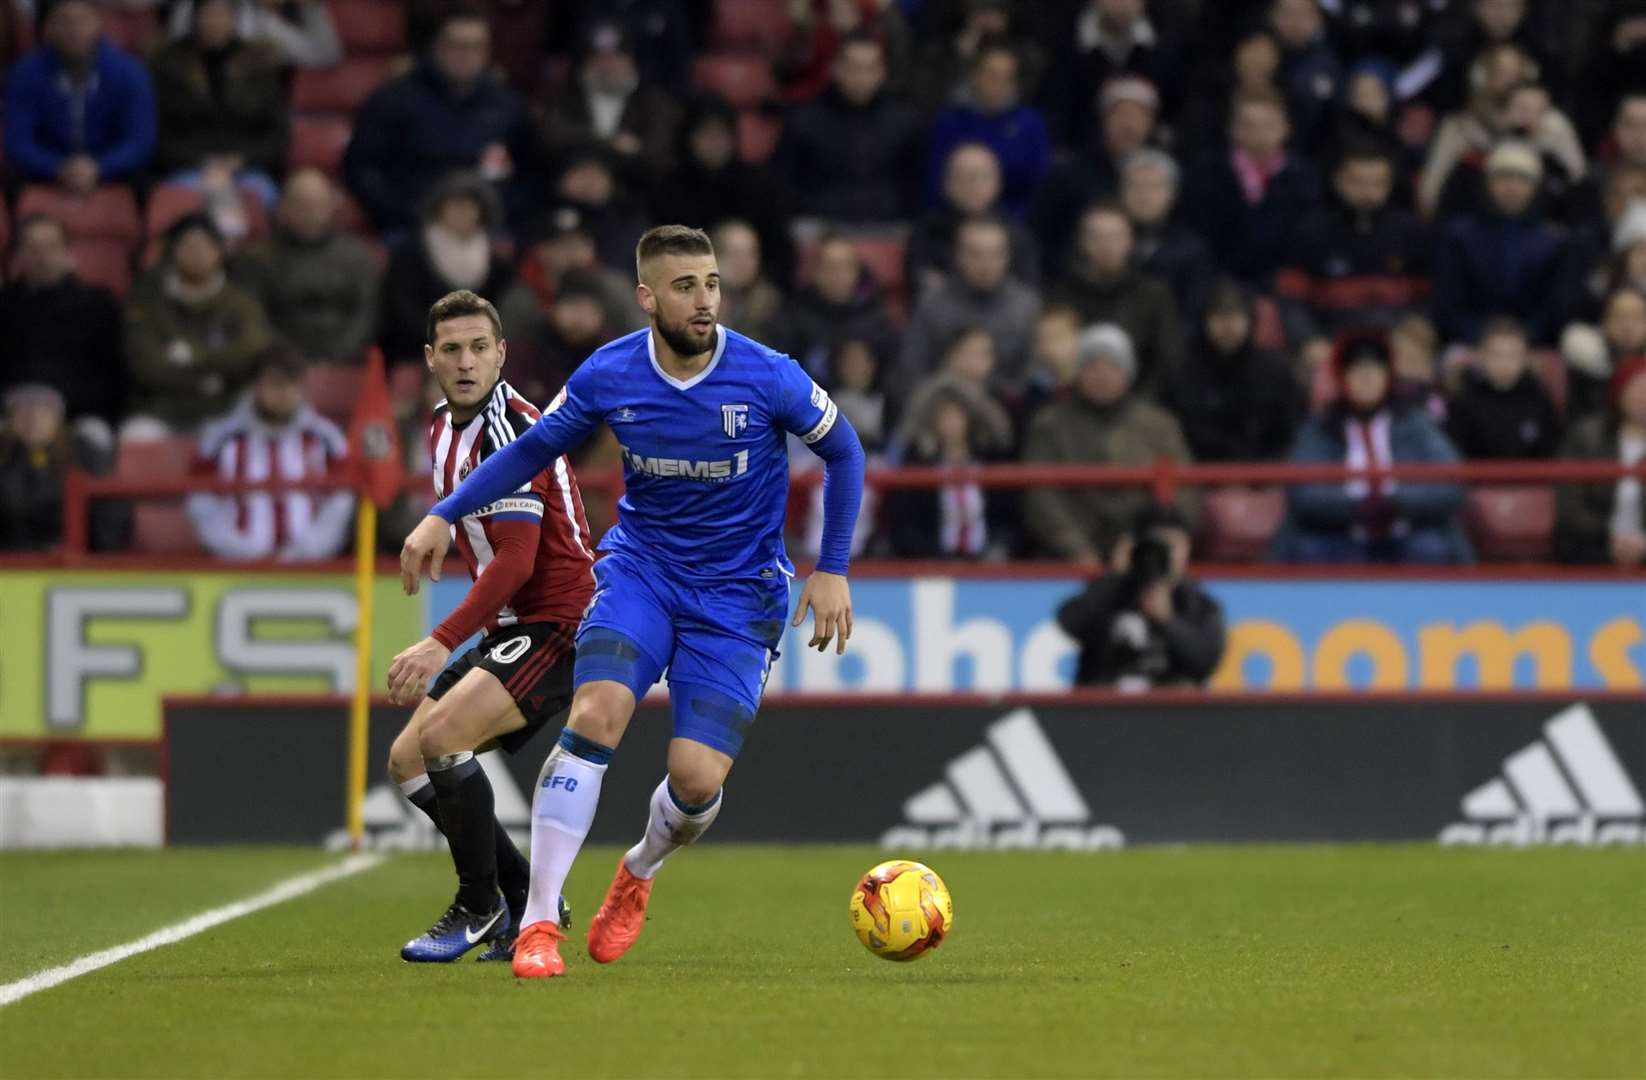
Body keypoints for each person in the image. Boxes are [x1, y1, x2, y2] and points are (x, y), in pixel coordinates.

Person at [397, 226, 865, 979]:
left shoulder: (767, 374)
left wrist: (833, 566)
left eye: (711, 283)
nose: (704, 300)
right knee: (595, 715)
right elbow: (527, 452)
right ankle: (540, 924)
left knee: (696, 780)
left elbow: (845, 450)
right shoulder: (610, 373)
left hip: (739, 594)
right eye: (685, 286)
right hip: (641, 573)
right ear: (648, 297)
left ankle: (639, 869)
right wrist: (445, 512)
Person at [387, 290, 595, 963]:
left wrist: (439, 639)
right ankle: (527, 897)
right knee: (408, 759)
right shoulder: (441, 423)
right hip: (513, 622)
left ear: (502, 354)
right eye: (452, 349)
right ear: (431, 358)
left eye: (480, 347)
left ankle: (478, 907)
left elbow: (516, 559)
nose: (467, 361)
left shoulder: (510, 429)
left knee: (443, 737)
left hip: (559, 621)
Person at [1274, 332, 1472, 563]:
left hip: (1407, 533)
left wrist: (1395, 503)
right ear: (1343, 378)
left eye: (1375, 371)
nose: (1366, 379)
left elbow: (1452, 483)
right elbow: (1303, 493)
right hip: (1340, 534)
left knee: (1432, 549)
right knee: (1310, 550)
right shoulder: (1321, 427)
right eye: (1358, 371)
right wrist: (1356, 507)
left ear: (1388, 377)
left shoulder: (1415, 423)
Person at [343, 9, 536, 234]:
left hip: (487, 228)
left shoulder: (508, 105)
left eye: (475, 47)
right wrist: (410, 213)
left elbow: (532, 174)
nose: (465, 55)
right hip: (411, 226)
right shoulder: (394, 99)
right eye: (456, 45)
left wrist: (496, 211)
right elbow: (362, 169)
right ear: (435, 47)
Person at [1021, 324, 1196, 561]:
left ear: (1129, 372)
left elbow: (1186, 489)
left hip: (1145, 553)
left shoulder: (1159, 425)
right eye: (1093, 366)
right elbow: (1041, 498)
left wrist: (1154, 542)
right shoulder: (1049, 425)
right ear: (1079, 372)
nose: (1102, 376)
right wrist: (1077, 549)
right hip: (1067, 555)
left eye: (1113, 367)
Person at [185, 346, 354, 560]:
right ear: (255, 387)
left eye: (292, 384)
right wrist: (238, 550)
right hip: (236, 571)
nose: (284, 393)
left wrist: (306, 551)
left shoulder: (327, 438)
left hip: (310, 569)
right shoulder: (219, 439)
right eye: (275, 384)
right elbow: (201, 503)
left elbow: (340, 502)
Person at [124, 214, 274, 433]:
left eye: (205, 247)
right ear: (173, 251)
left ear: (219, 251)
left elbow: (250, 352)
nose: (197, 254)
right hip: (161, 409)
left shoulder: (241, 302)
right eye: (187, 247)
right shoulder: (148, 300)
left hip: (224, 407)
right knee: (137, 437)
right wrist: (209, 375)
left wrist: (190, 356)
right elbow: (146, 364)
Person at [1055, 503, 1226, 689]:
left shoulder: (1196, 602)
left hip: (1170, 711)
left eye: (1173, 545)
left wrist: (1168, 621)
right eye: (1157, 544)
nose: (1165, 553)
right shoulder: (1113, 591)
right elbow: (1070, 623)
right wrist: (1114, 576)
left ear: (1188, 548)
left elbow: (1205, 661)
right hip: (1106, 708)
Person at [1275, 143, 1429, 346]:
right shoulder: (1312, 231)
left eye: (1377, 183)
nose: (1367, 191)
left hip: (1398, 343)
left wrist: (1418, 327)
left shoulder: (1411, 231)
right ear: (1338, 181)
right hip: (1331, 343)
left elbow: (1429, 297)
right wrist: (1308, 341)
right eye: (1358, 182)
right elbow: (1291, 300)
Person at [3, 0, 156, 192]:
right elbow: (18, 141)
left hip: (114, 173)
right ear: (48, 26)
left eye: (82, 20)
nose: (74, 30)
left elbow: (139, 141)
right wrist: (57, 167)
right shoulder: (25, 73)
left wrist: (99, 167)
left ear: (99, 22)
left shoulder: (130, 72)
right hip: (44, 174)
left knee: (145, 177)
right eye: (64, 21)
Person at [148, 0, 289, 207]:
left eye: (222, 14)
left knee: (261, 195)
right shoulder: (169, 64)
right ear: (195, 17)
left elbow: (277, 134)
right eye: (208, 15)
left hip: (247, 169)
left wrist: (239, 161)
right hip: (187, 168)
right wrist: (202, 164)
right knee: (183, 199)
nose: (215, 22)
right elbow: (160, 134)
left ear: (234, 19)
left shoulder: (259, 65)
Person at [1432, 140, 1573, 346]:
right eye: (1503, 177)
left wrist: (1523, 340)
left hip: (1534, 345)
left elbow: (1554, 307)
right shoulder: (1459, 235)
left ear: (1535, 187)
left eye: (1522, 179)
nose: (1512, 187)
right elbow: (1448, 302)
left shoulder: (1553, 240)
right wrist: (1481, 339)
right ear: (1487, 183)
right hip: (1468, 341)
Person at [774, 31, 923, 222]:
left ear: (883, 72)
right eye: (854, 68)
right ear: (836, 69)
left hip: (888, 226)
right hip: (820, 227)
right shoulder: (804, 121)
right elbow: (785, 184)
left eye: (871, 68)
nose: (862, 77)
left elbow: (915, 186)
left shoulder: (906, 122)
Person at [235, 169, 379, 364]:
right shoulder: (257, 259)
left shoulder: (357, 256)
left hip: (346, 364)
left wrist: (340, 355)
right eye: (301, 206)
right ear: (282, 207)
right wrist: (289, 358)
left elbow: (366, 313)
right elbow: (253, 319)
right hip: (278, 367)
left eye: (318, 206)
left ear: (331, 208)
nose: (310, 215)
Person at [1184, 89, 1320, 287]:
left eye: (1268, 125)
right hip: (1220, 282)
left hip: (1284, 284)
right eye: (1249, 125)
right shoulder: (1207, 173)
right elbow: (1200, 235)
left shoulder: (1304, 177)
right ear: (1233, 129)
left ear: (1285, 128)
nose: (1259, 133)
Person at [0, 214, 126, 426]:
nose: (42, 257)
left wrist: (59, 405)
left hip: (79, 417)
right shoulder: (5, 306)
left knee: (95, 436)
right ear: (18, 256)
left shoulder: (97, 304)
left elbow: (112, 375)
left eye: (51, 247)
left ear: (68, 253)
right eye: (32, 249)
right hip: (10, 415)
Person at [1030, 75, 1161, 277]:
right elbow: (1040, 236)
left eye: (1139, 116)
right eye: (1121, 115)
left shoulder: (1163, 173)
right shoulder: (1069, 174)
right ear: (1104, 119)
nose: (1129, 125)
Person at [894, 215, 1040, 395]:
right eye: (975, 254)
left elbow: (1032, 378)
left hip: (1009, 411)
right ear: (958, 255)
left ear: (1008, 257)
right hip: (940, 408)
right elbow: (911, 373)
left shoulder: (1027, 307)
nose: (985, 264)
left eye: (995, 254)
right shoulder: (932, 305)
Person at [378, 175, 516, 365]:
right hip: (419, 351)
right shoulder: (411, 253)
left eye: (468, 207)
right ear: (439, 209)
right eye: (454, 206)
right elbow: (402, 309)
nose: (461, 213)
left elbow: (503, 307)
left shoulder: (496, 258)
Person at [1048, 202, 1181, 397]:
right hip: (1073, 402)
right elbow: (1052, 357)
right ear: (1082, 241)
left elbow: (1168, 359)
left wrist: (1137, 406)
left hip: (1142, 404)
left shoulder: (1154, 295)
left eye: (1115, 237)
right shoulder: (1061, 295)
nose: (1106, 245)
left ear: (1130, 241)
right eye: (1097, 237)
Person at [1166, 279, 1301, 462]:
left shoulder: (1274, 370)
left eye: (1236, 316)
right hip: (1199, 472)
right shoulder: (1182, 369)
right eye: (1220, 315)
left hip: (1265, 473)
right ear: (1204, 320)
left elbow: (1287, 427)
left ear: (1250, 320)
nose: (1228, 325)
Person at [538, 19, 680, 184]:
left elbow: (659, 153)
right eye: (599, 58)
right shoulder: (563, 99)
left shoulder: (653, 102)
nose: (607, 66)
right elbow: (554, 141)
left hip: (637, 192)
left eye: (615, 57)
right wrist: (611, 145)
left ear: (630, 60)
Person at [923, 38, 1051, 219]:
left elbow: (1038, 184)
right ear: (975, 75)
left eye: (1007, 77)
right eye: (991, 75)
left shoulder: (1031, 123)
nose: (998, 83)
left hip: (1014, 221)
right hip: (954, 220)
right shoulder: (950, 121)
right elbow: (935, 182)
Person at [905, 142, 1039, 300]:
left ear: (998, 183)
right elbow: (921, 289)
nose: (973, 184)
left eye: (982, 176)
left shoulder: (1016, 234)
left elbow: (1029, 292)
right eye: (963, 176)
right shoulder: (926, 233)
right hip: (944, 320)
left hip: (1005, 321)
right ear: (946, 183)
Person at [882, 388, 1006, 559]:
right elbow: (906, 522)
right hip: (936, 561)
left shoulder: (988, 460)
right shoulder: (920, 465)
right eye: (945, 416)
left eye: (957, 416)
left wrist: (997, 550)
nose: (951, 423)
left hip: (984, 561)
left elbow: (1004, 517)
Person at [0, 384, 123, 553]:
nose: (33, 419)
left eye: (44, 411)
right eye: (22, 411)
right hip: (12, 560)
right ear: (9, 420)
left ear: (59, 419)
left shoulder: (84, 455)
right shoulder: (5, 457)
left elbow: (110, 513)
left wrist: (92, 553)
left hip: (77, 561)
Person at [1554, 356, 1646, 565]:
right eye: (1637, 389)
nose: (1644, 397)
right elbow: (1569, 502)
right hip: (1593, 543)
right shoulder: (1586, 435)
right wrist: (1612, 537)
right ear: (1619, 394)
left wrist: (1642, 542)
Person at [776, 235, 899, 382]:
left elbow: (895, 378)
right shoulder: (792, 318)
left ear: (857, 272)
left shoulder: (878, 320)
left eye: (845, 267)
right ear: (815, 273)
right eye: (829, 267)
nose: (837, 275)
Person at [1118, 148, 1215, 321]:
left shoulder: (1191, 249)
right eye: (1135, 186)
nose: (1144, 196)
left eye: (1154, 187)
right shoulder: (1103, 239)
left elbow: (1192, 312)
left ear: (1172, 195)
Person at [1445, 318, 1560, 459]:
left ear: (1526, 359)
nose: (1504, 363)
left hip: (1530, 480)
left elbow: (1550, 452)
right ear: (1481, 356)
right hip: (1476, 480)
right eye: (1496, 354)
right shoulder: (1463, 402)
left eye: (1512, 355)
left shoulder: (1540, 401)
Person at [164, 0, 342, 67]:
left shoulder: (263, 24)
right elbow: (175, 56)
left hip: (247, 128)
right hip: (193, 121)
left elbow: (325, 54)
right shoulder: (192, 8)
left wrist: (312, 9)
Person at [711, 220, 784, 344]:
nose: (742, 262)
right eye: (734, 253)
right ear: (713, 256)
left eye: (751, 254)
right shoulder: (692, 305)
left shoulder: (771, 310)